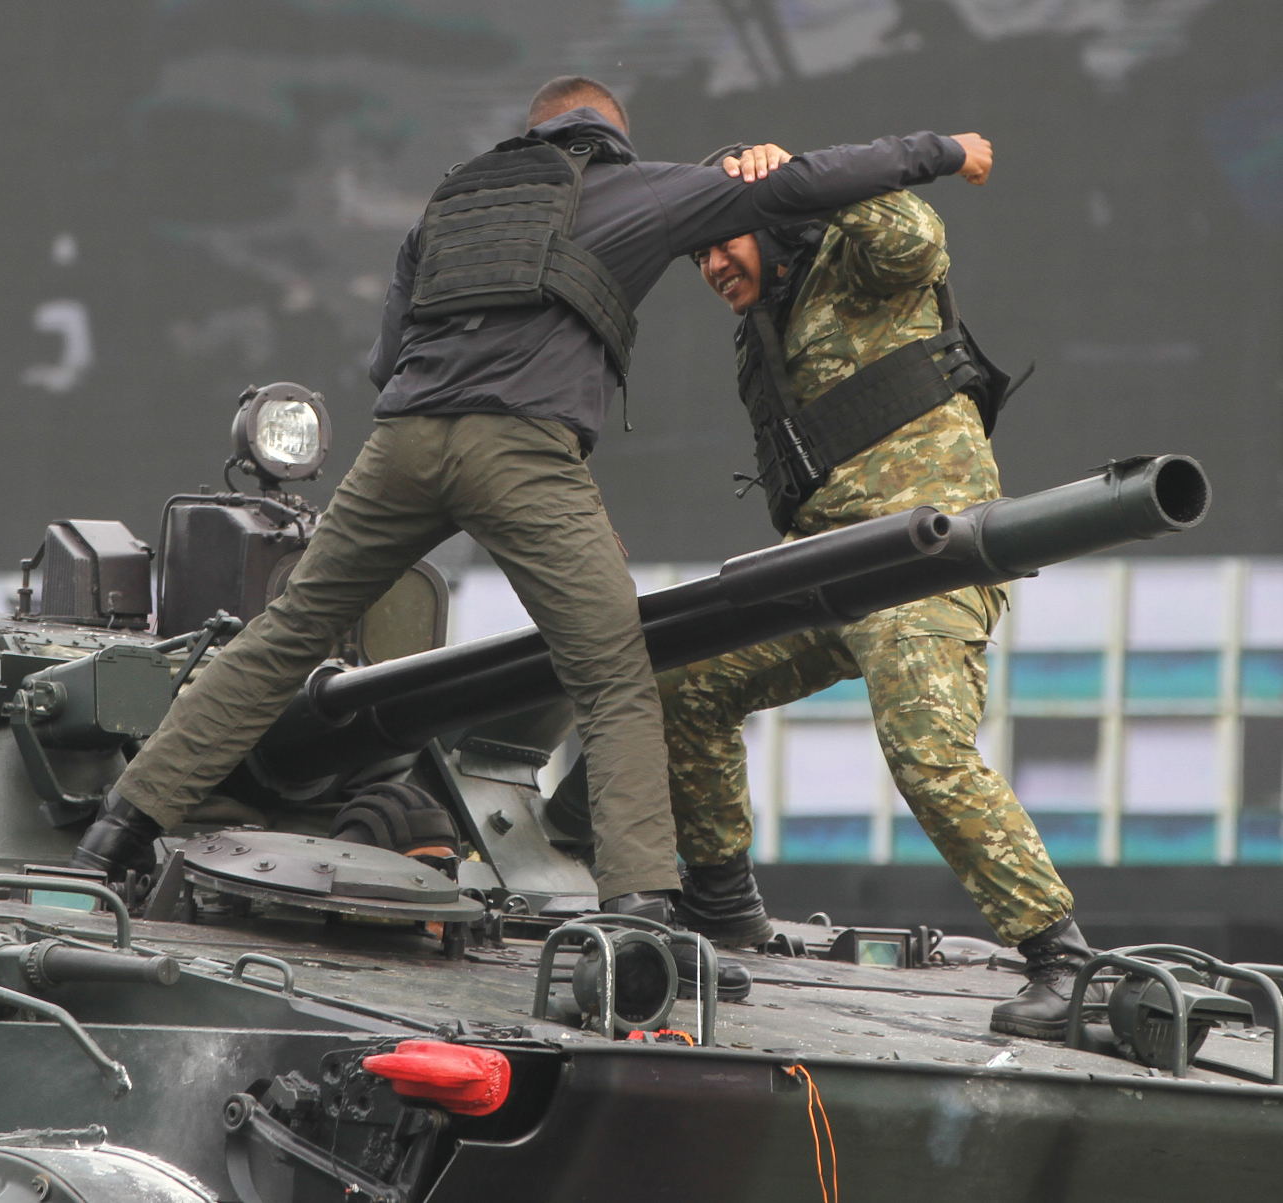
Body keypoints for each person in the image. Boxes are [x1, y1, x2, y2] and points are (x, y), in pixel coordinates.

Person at [73, 73, 995, 926]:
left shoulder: (450, 203)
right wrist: (946, 150)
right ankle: (637, 911)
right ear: (609, 135)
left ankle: (116, 830)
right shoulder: (636, 188)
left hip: (400, 443)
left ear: (536, 132)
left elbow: (382, 362)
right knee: (612, 668)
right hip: (519, 448)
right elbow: (810, 185)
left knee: (281, 639)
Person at [665, 145, 1088, 1038]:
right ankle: (721, 904)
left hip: (924, 553)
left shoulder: (859, 266)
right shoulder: (769, 325)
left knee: (924, 750)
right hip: (827, 564)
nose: (709, 266)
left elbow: (915, 233)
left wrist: (798, 175)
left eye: (721, 242)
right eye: (695, 253)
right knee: (688, 682)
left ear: (775, 223)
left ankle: (1062, 959)